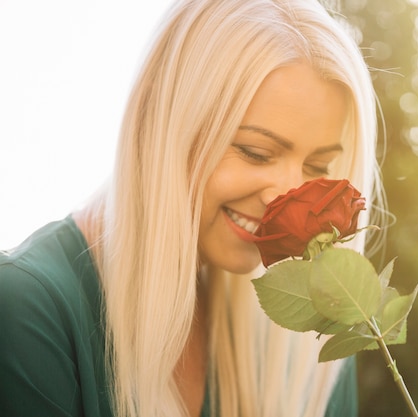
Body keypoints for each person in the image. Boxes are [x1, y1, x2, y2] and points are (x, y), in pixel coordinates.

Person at [0, 0, 383, 416]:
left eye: (317, 167)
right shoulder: (29, 313)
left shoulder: (307, 345)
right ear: (164, 122)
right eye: (255, 151)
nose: (288, 196)